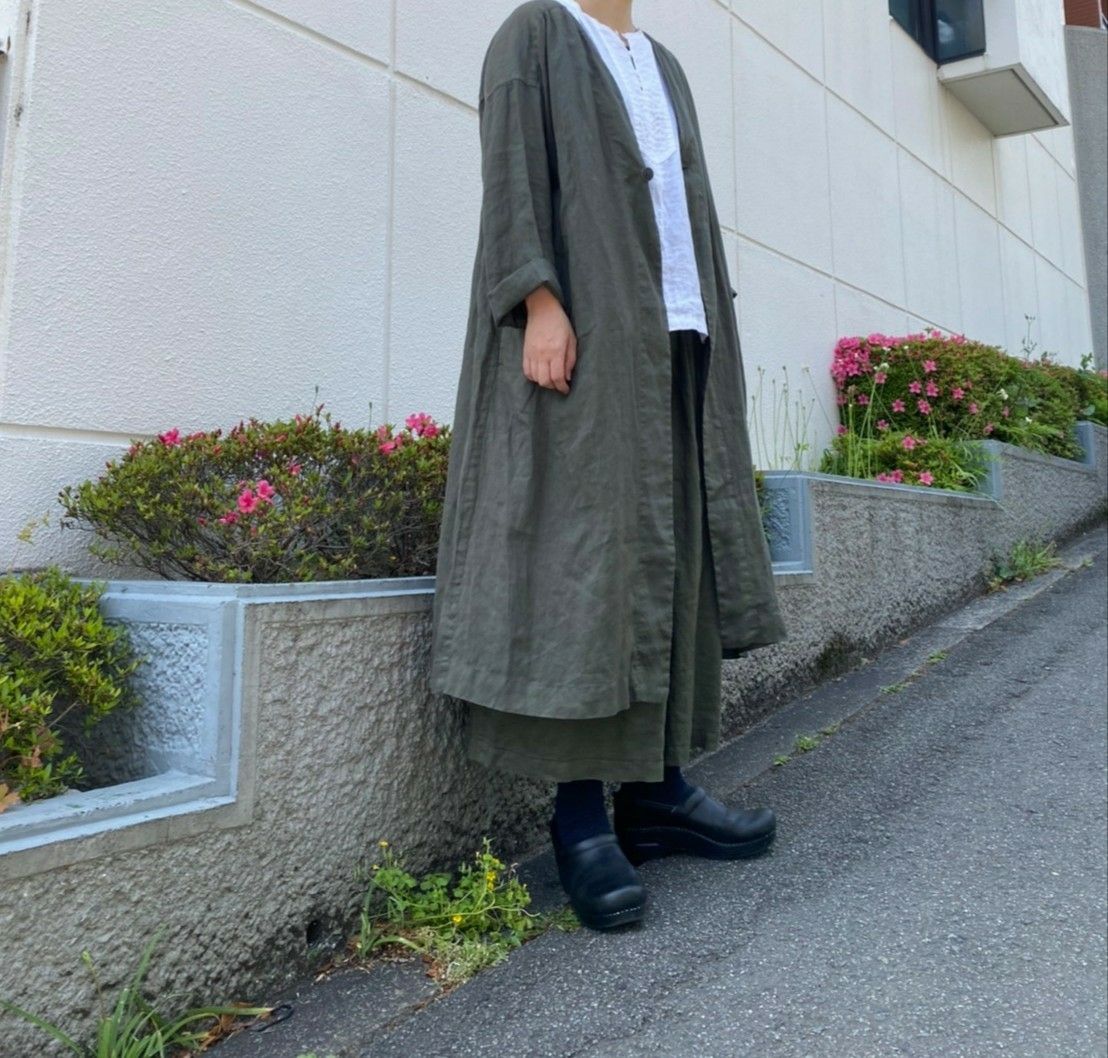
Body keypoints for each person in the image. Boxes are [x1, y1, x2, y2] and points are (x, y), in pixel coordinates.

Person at [429, 0, 789, 931]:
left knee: (665, 560)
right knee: (581, 566)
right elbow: (511, 178)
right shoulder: (536, 34)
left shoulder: (663, 64)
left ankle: (658, 791)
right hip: (583, 337)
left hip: (674, 341)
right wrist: (538, 302)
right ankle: (582, 817)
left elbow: (681, 204)